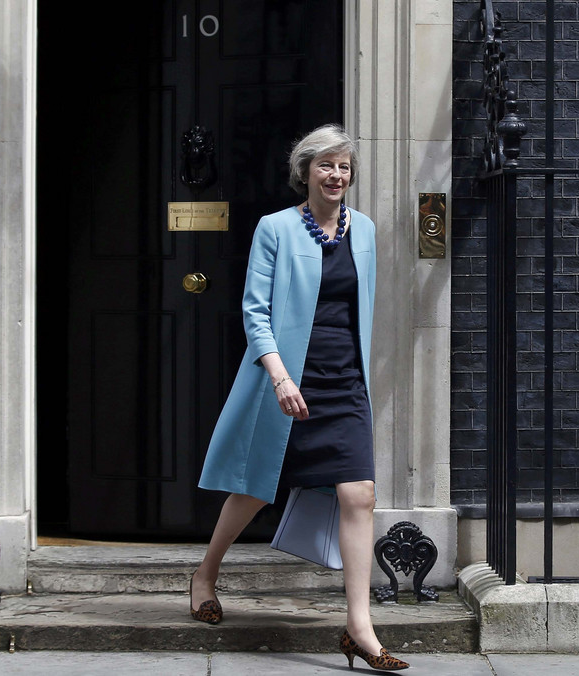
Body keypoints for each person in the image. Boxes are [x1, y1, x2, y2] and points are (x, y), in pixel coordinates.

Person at [190, 124, 408, 672]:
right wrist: (281, 377)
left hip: (344, 380)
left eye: (345, 167)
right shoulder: (277, 228)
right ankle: (206, 574)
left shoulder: (365, 231)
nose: (337, 175)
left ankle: (359, 627)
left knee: (358, 494)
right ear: (305, 171)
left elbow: (361, 308)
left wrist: (358, 374)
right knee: (254, 489)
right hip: (288, 377)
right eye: (326, 166)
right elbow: (254, 311)